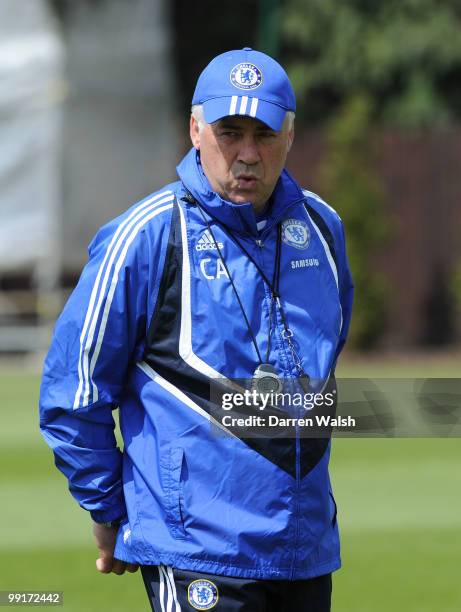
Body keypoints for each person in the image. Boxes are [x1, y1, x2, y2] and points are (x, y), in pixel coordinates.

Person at [39, 48, 354, 612]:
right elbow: (73, 393)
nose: (247, 154)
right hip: (196, 556)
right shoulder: (145, 235)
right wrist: (110, 509)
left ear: (291, 133)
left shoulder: (323, 230)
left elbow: (326, 368)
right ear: (195, 128)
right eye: (229, 132)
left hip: (305, 552)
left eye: (264, 133)